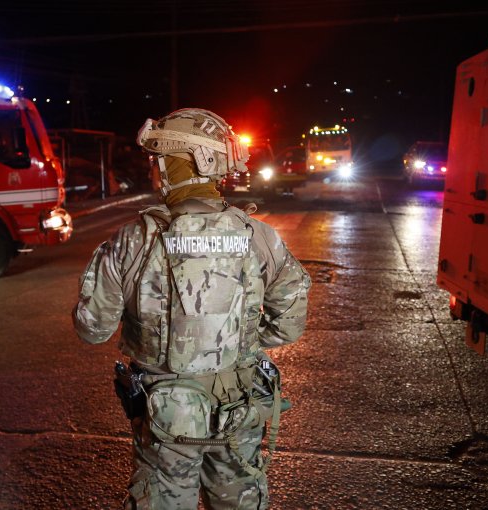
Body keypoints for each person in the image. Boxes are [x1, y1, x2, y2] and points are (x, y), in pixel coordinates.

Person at [73, 108, 311, 509]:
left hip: (168, 419)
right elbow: (289, 324)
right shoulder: (259, 236)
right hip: (241, 406)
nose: (153, 170)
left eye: (158, 161)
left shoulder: (133, 241)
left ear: (176, 167)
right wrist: (238, 341)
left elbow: (92, 329)